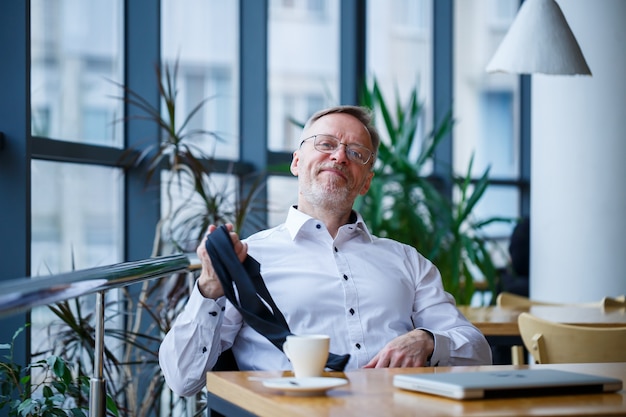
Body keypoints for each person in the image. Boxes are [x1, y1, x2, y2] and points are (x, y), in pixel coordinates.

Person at [159, 105, 492, 397]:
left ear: (366, 183)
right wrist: (209, 291)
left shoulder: (407, 260)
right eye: (326, 144)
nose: (340, 156)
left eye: (357, 152)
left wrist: (428, 342)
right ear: (296, 162)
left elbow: (478, 352)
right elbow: (182, 379)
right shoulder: (247, 258)